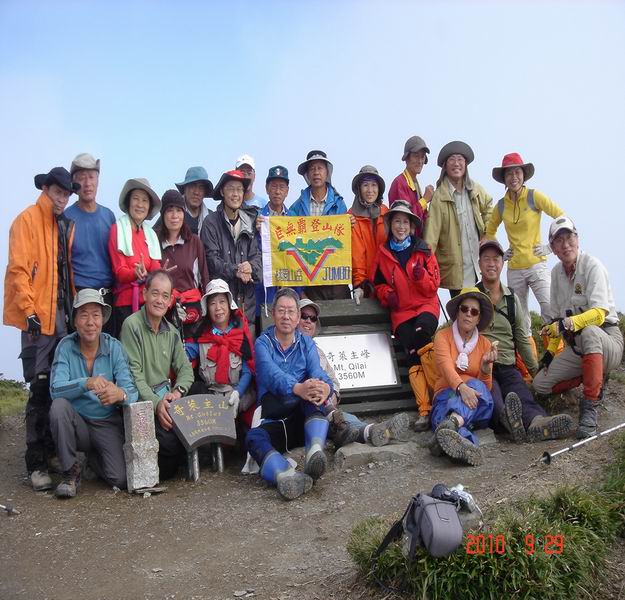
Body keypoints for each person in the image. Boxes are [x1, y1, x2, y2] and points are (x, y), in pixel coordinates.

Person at [3, 167, 78, 491]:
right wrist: (29, 312)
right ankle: (35, 463)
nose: (62, 199)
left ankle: (51, 452)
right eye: (58, 192)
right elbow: (19, 271)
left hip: (60, 318)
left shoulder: (63, 225)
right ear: (45, 189)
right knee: (38, 388)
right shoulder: (26, 220)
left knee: (57, 387)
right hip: (37, 320)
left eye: (66, 194)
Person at [533, 217, 624, 438]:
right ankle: (594, 376)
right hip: (577, 346)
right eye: (559, 240)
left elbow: (600, 313)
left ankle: (590, 405)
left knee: (591, 331)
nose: (566, 245)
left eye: (569, 237)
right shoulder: (555, 274)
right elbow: (557, 321)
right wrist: (550, 353)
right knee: (540, 384)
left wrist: (569, 323)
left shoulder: (593, 266)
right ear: (553, 248)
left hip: (608, 340)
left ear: (577, 238)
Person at [477, 239, 573, 442]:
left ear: (502, 263)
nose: (491, 264)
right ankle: (509, 422)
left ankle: (537, 423)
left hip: (508, 365)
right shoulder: (472, 297)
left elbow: (521, 338)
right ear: (479, 264)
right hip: (482, 367)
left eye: (496, 259)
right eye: (486, 259)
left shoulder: (512, 299)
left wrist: (535, 371)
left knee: (522, 394)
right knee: (493, 397)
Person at [245, 288, 334, 500]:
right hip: (273, 415)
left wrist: (326, 387)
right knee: (254, 437)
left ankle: (314, 453)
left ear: (297, 316)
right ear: (273, 313)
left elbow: (318, 372)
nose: (286, 316)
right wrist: (298, 388)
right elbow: (271, 375)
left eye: (291, 311)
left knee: (312, 398)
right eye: (281, 310)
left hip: (300, 415)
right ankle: (284, 475)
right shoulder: (263, 343)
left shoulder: (306, 343)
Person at [49, 289, 138, 498]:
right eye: (84, 315)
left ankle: (92, 460)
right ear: (75, 321)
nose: (90, 322)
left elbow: (132, 391)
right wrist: (86, 383)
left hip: (106, 423)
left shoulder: (114, 347)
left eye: (96, 315)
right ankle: (70, 474)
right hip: (77, 422)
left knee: (120, 479)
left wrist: (120, 394)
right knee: (59, 407)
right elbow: (55, 389)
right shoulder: (65, 347)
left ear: (103, 320)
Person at [298, 299, 408, 447]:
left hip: (325, 407)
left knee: (339, 418)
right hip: (304, 409)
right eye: (304, 316)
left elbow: (333, 379)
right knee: (334, 416)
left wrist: (333, 394)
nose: (308, 321)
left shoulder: (319, 352)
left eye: (312, 318)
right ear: (295, 318)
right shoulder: (289, 348)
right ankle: (370, 431)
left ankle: (369, 431)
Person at [372, 201, 440, 431]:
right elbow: (377, 283)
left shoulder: (424, 249)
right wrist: (387, 295)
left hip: (426, 306)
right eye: (397, 221)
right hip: (401, 313)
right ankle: (425, 410)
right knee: (411, 351)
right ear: (390, 225)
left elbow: (433, 286)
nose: (401, 226)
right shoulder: (382, 253)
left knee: (422, 335)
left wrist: (421, 277)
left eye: (405, 222)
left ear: (411, 226)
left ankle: (440, 397)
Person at [120, 270, 194, 479]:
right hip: (140, 402)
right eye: (155, 293)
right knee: (170, 451)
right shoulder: (131, 325)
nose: (159, 300)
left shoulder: (171, 331)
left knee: (199, 396)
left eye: (165, 296)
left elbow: (186, 369)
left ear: (170, 301)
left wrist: (177, 393)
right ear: (144, 294)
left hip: (166, 398)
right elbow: (134, 375)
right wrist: (156, 404)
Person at [486, 153, 564, 328]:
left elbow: (561, 217)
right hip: (514, 269)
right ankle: (527, 348)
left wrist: (550, 247)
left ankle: (556, 346)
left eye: (517, 172)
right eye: (509, 173)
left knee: (550, 309)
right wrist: (500, 254)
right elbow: (489, 232)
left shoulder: (534, 196)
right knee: (519, 318)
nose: (513, 177)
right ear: (504, 178)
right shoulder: (501, 205)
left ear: (523, 175)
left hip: (537, 264)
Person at [430, 288, 497, 466]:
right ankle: (466, 444)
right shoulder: (442, 336)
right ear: (458, 312)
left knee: (477, 386)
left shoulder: (485, 344)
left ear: (478, 318)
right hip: (447, 394)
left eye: (474, 312)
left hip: (476, 401)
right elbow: (446, 367)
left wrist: (485, 368)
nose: (468, 314)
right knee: (444, 414)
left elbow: (485, 389)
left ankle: (449, 425)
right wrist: (461, 388)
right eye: (464, 309)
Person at [424, 141, 493, 296]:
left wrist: (487, 233)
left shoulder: (475, 189)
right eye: (452, 160)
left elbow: (489, 207)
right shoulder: (439, 197)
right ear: (445, 166)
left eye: (460, 159)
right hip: (455, 269)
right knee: (462, 309)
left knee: (486, 307)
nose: (456, 164)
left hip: (479, 265)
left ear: (466, 164)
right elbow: (431, 235)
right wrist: (427, 266)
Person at [185, 279, 255, 427]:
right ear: (207, 308)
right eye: (212, 303)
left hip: (238, 397)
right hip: (210, 402)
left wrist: (238, 392)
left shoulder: (240, 335)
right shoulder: (200, 337)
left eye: (222, 301)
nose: (218, 308)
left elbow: (248, 370)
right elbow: (183, 358)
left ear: (229, 305)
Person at [201, 169, 261, 334]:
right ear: (222, 192)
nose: (236, 194)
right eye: (231, 189)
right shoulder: (211, 223)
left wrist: (251, 267)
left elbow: (257, 257)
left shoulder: (249, 221)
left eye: (240, 189)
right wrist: (236, 270)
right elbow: (211, 260)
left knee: (248, 349)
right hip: (221, 311)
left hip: (247, 309)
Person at [66, 153, 117, 335]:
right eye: (81, 178)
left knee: (108, 348)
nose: (87, 183)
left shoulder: (109, 216)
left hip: (107, 299)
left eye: (91, 177)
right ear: (73, 183)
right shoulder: (66, 218)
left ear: (98, 180)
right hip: (80, 299)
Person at [289, 150, 350, 300]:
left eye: (320, 168)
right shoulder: (296, 207)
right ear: (307, 175)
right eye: (312, 169)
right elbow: (289, 238)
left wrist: (350, 224)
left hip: (335, 278)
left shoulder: (339, 204)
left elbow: (343, 241)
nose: (316, 172)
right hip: (309, 279)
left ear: (327, 172)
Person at [108, 178, 162, 334]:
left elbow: (155, 268)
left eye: (145, 200)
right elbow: (119, 271)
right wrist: (135, 273)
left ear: (149, 206)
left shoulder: (151, 234)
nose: (140, 204)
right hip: (125, 305)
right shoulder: (117, 229)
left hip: (148, 302)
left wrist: (161, 274)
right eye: (136, 199)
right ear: (128, 202)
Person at [156, 189, 209, 336]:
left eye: (179, 210)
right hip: (163, 313)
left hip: (192, 312)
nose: (174, 216)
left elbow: (204, 279)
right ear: (162, 214)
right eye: (169, 210)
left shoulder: (194, 242)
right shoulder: (154, 241)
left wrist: (207, 313)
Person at [348, 165, 389, 305]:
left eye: (374, 185)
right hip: (365, 285)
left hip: (387, 282)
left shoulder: (387, 213)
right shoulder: (351, 217)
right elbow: (356, 255)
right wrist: (359, 285)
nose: (370, 190)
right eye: (365, 185)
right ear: (359, 189)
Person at [255, 166, 290, 315]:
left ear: (287, 191)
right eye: (274, 186)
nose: (277, 191)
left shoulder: (294, 219)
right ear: (267, 188)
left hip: (288, 285)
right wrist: (256, 232)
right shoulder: (257, 218)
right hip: (264, 287)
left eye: (281, 187)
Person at [388, 135, 432, 235]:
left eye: (422, 157)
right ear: (407, 158)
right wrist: (425, 199)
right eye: (416, 156)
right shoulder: (399, 183)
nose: (420, 161)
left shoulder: (414, 182)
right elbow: (405, 218)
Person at [174, 166, 214, 236]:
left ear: (204, 192)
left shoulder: (212, 219)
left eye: (201, 187)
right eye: (192, 186)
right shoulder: (172, 213)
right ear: (185, 188)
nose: (196, 192)